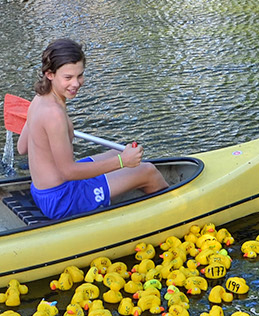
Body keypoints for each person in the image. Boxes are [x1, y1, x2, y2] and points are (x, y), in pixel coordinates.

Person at [18, 38, 167, 219]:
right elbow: (68, 172)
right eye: (68, 77)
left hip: (42, 191)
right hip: (62, 200)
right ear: (50, 74)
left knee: (113, 152)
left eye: (79, 75)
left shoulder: (39, 99)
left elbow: (22, 148)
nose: (76, 83)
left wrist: (119, 158)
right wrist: (123, 162)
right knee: (147, 170)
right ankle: (170, 216)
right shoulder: (54, 115)